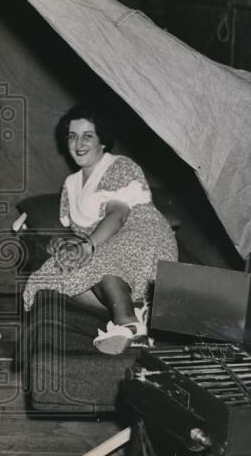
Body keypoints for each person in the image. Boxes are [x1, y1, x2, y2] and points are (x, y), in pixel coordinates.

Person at [23, 103, 177, 355]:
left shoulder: (119, 166)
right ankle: (138, 310)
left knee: (100, 261)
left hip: (140, 231)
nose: (78, 144)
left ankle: (126, 324)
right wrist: (65, 242)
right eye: (72, 136)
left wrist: (88, 245)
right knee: (47, 278)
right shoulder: (70, 184)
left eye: (87, 136)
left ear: (102, 141)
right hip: (101, 241)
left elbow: (117, 215)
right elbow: (77, 230)